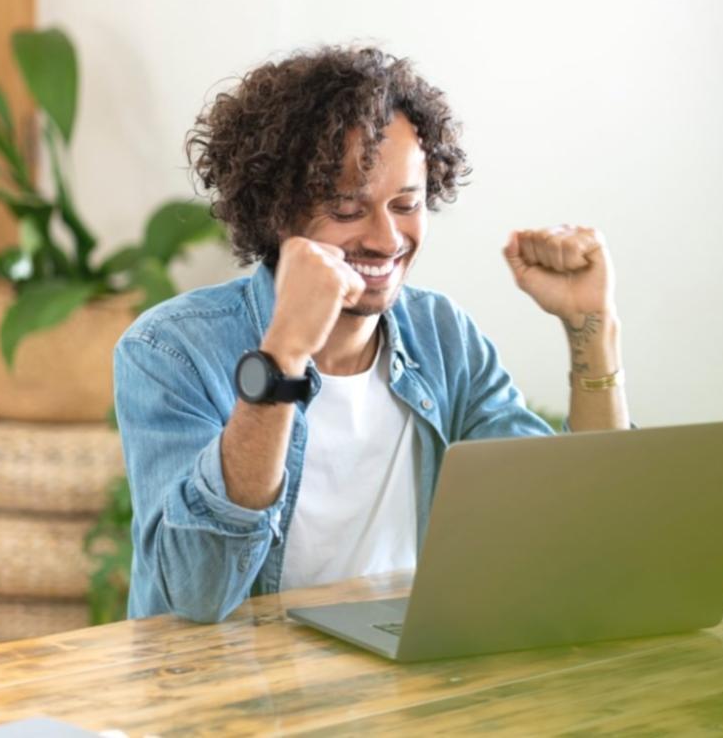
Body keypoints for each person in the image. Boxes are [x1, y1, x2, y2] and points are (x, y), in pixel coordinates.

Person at [114, 46, 630, 622]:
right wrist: (282, 355)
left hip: (401, 686)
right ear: (278, 212)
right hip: (225, 694)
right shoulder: (171, 350)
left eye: (406, 204)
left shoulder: (443, 337)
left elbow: (570, 525)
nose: (387, 239)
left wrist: (593, 328)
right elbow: (197, 592)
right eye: (347, 208)